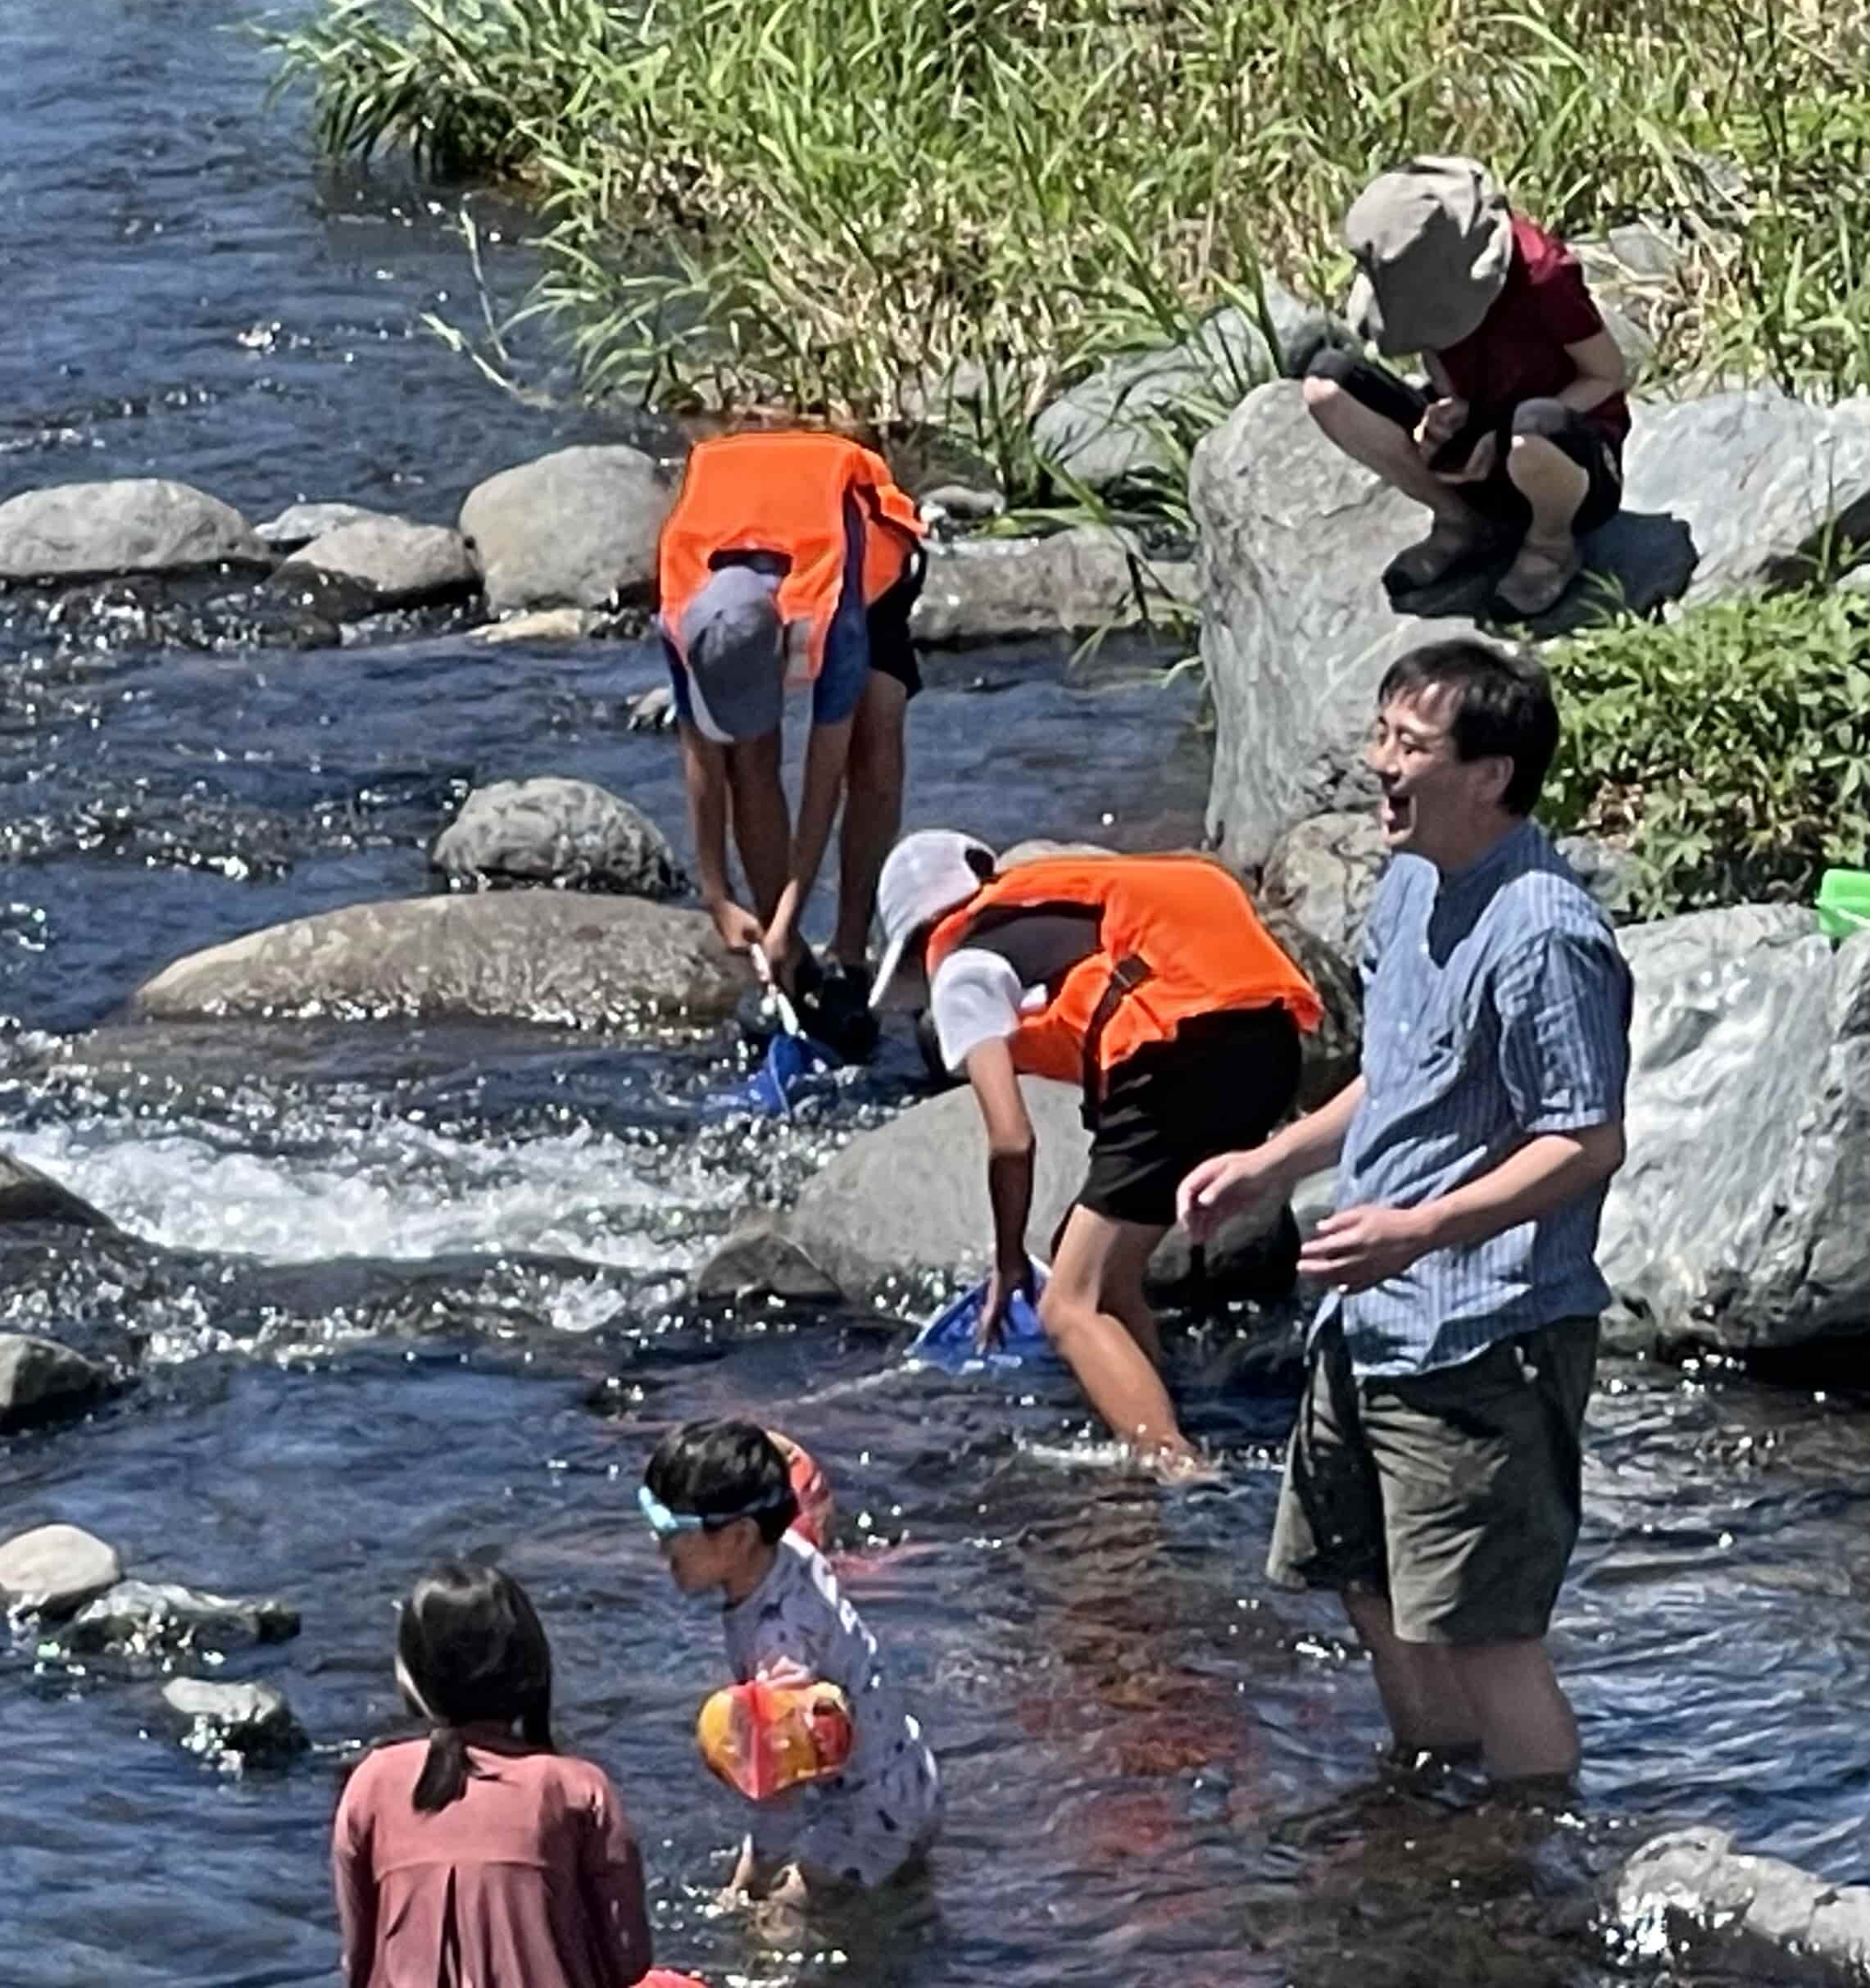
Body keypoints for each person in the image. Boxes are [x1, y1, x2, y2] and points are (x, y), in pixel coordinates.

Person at [1176, 638, 1632, 1784]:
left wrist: (1420, 1231)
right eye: (1381, 734)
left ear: (1489, 774)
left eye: (1410, 746)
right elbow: (1403, 1073)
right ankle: (1430, 1821)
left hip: (1486, 1333)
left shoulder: (1545, 932)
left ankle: (1533, 1876)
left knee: (1488, 1634)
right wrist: (1274, 1163)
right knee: (1367, 1583)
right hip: (1365, 1316)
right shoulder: (1412, 881)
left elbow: (1584, 1142)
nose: (1380, 764)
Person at [865, 833, 1322, 1472]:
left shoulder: (963, 966)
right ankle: (1154, 1404)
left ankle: (1173, 1462)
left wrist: (1006, 1264)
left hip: (1176, 1057)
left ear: (916, 944)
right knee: (1102, 1276)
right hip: (1269, 1046)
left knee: (1067, 1301)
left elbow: (1011, 1139)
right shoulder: (1058, 907)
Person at [657, 429, 925, 1044]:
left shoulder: (836, 611)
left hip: (867, 549)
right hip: (738, 528)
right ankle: (793, 961)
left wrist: (788, 909)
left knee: (876, 727)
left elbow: (823, 783)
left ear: (784, 648)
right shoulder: (681, 603)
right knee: (749, 751)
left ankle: (852, 954)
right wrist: (718, 896)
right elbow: (702, 751)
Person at [1297, 156, 1633, 621]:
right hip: (1487, 441)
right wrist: (1449, 414)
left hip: (1567, 458)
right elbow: (1432, 344)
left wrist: (1499, 440)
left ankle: (1551, 544)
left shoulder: (1540, 272)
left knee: (1531, 429)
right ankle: (1460, 521)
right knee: (1326, 385)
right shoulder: (1414, 277)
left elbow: (1606, 374)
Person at [643, 1418, 942, 1902]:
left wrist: (752, 1879)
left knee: (774, 1919)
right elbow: (792, 1461)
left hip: (868, 1820)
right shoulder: (786, 1544)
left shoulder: (779, 1652)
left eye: (670, 1528)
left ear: (739, 1537)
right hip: (907, 1776)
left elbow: (780, 1792)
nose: (657, 1544)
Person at [331, 1562, 662, 1988]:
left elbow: (358, 1963)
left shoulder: (371, 1784)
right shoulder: (577, 1788)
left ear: (411, 1678)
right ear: (532, 1669)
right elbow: (628, 1960)